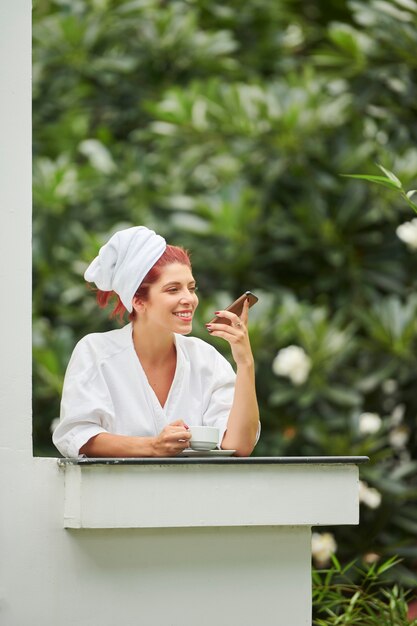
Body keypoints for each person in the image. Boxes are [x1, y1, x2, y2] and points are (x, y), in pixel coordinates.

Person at [52, 226, 260, 458]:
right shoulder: (96, 352)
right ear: (139, 301)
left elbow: (239, 445)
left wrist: (245, 363)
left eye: (191, 288)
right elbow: (78, 435)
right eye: (173, 289)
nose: (189, 299)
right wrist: (152, 446)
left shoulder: (206, 359)